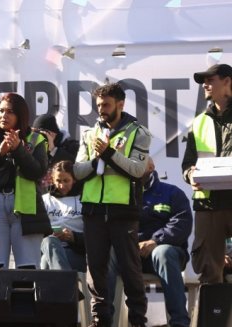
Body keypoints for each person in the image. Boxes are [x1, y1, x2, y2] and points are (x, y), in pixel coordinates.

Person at [74, 83, 150, 327]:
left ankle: (138, 321)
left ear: (120, 104)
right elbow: (77, 171)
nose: (101, 110)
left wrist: (108, 154)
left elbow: (137, 170)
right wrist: (98, 157)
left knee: (130, 269)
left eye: (106, 105)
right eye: (98, 105)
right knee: (95, 270)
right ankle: (100, 320)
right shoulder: (88, 134)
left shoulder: (138, 132)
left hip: (123, 211)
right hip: (93, 211)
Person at [0, 92, 51, 270]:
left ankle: (25, 299)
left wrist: (18, 150)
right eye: (1, 111)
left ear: (20, 116)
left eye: (10, 112)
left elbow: (37, 172)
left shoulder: (37, 139)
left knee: (27, 269)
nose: (3, 116)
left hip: (25, 210)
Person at [109, 157, 192, 327]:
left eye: (138, 161)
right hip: (129, 255)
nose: (133, 166)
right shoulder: (117, 194)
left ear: (151, 166)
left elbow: (181, 224)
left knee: (163, 252)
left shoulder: (172, 193)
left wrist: (155, 241)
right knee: (107, 254)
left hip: (163, 256)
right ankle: (105, 321)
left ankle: (179, 323)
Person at [182, 63, 232, 284]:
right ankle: (213, 318)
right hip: (208, 204)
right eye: (204, 81)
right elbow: (188, 163)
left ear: (227, 81)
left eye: (210, 80)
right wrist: (190, 175)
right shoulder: (199, 122)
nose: (205, 85)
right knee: (210, 272)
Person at [40, 160, 86, 272]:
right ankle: (67, 286)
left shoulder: (84, 200)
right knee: (49, 242)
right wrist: (51, 234)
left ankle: (63, 284)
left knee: (46, 262)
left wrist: (74, 237)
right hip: (49, 248)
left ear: (74, 180)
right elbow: (37, 232)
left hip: (75, 252)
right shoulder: (45, 200)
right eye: (58, 181)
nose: (62, 185)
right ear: (52, 180)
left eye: (66, 181)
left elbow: (95, 236)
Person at [32, 113, 80, 193]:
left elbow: (77, 168)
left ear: (53, 133)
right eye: (36, 134)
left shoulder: (72, 147)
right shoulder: (34, 149)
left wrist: (54, 150)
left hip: (68, 199)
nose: (39, 138)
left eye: (42, 134)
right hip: (41, 199)